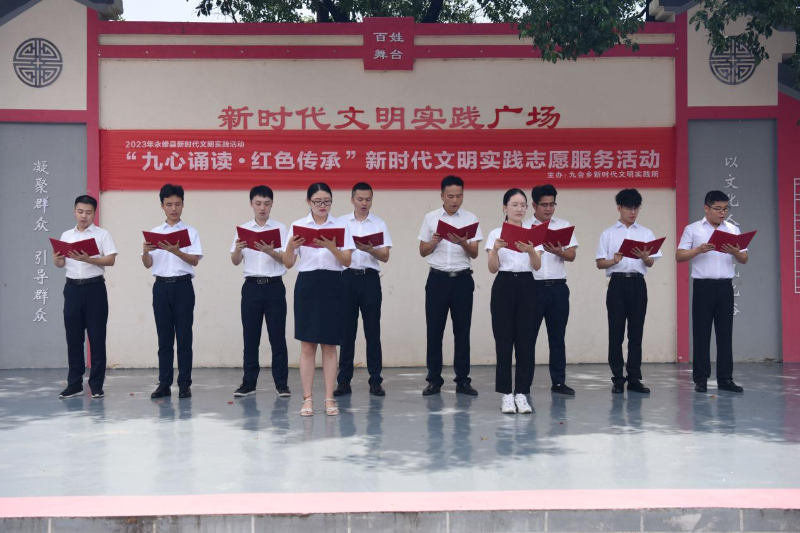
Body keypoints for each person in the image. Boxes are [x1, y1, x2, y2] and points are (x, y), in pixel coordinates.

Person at [283, 183, 355, 416]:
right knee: (307, 345)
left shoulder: (341, 225)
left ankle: (329, 398)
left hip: (334, 284)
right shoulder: (298, 226)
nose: (323, 206)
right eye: (318, 201)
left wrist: (332, 247)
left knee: (330, 345)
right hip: (307, 285)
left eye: (327, 201)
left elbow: (347, 261)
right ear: (308, 202)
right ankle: (307, 399)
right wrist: (290, 246)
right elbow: (288, 263)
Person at [677, 190, 748, 393]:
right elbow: (679, 256)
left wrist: (735, 252)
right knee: (701, 333)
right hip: (703, 286)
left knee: (725, 334)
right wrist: (698, 250)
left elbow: (744, 259)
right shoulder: (693, 229)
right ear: (706, 208)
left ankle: (725, 379)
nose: (722, 212)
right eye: (718, 208)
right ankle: (701, 379)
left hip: (725, 286)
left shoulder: (733, 229)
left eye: (725, 208)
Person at [418, 175, 483, 396]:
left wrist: (463, 242)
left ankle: (463, 380)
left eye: (459, 196)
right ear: (442, 196)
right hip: (437, 280)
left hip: (462, 279)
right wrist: (434, 242)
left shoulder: (471, 219)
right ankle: (434, 380)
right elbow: (422, 251)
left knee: (462, 331)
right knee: (434, 331)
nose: (455, 200)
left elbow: (474, 253)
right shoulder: (431, 218)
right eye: (451, 196)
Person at [595, 189, 661, 394]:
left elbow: (651, 262)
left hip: (638, 284)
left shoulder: (646, 233)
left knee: (636, 332)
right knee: (616, 333)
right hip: (617, 283)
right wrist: (613, 261)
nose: (633, 212)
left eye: (636, 208)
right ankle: (617, 378)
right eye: (628, 208)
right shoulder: (608, 233)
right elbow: (599, 263)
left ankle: (634, 378)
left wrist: (644, 257)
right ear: (619, 208)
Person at [142, 184, 203, 399]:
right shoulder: (155, 233)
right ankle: (164, 384)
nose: (173, 209)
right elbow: (148, 264)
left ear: (183, 205)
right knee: (164, 338)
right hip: (161, 287)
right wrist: (145, 252)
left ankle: (184, 384)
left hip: (183, 286)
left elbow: (194, 260)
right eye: (169, 204)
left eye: (177, 204)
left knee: (184, 337)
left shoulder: (191, 232)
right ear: (162, 206)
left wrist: (176, 251)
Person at [53, 195, 118, 399]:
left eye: (88, 212)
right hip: (72, 289)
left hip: (95, 288)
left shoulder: (102, 235)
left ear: (94, 214)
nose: (84, 216)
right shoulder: (66, 235)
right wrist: (57, 260)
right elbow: (61, 264)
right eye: (80, 211)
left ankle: (96, 384)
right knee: (73, 338)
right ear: (74, 211)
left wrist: (88, 259)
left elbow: (111, 260)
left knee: (97, 337)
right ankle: (74, 384)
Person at [230, 185, 290, 398]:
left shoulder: (281, 229)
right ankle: (249, 383)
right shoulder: (243, 230)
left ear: (272, 204)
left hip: (274, 286)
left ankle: (281, 384)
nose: (262, 208)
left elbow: (286, 260)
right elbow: (235, 261)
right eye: (258, 203)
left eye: (266, 203)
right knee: (250, 337)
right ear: (251, 204)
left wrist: (270, 251)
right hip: (251, 287)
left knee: (277, 337)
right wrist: (238, 250)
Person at [486, 188, 541, 414]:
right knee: (504, 341)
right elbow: (492, 269)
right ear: (505, 208)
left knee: (526, 341)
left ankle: (522, 393)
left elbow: (537, 266)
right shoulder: (495, 233)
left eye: (523, 205)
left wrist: (530, 251)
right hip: (504, 284)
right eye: (514, 205)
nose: (519, 209)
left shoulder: (533, 232)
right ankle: (506, 394)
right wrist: (494, 250)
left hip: (528, 285)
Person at [334, 182, 392, 397]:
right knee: (346, 332)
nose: (364, 203)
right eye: (360, 199)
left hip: (369, 279)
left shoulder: (379, 223)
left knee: (372, 331)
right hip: (346, 279)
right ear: (352, 200)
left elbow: (385, 256)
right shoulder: (340, 223)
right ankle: (344, 381)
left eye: (368, 199)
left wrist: (369, 249)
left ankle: (375, 381)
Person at [524, 184, 578, 395]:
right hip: (532, 288)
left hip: (558, 288)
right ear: (534, 205)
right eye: (544, 205)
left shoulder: (563, 226)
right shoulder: (525, 227)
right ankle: (524, 383)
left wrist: (558, 252)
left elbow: (571, 255)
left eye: (552, 204)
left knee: (557, 337)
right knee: (528, 337)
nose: (548, 209)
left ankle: (558, 382)